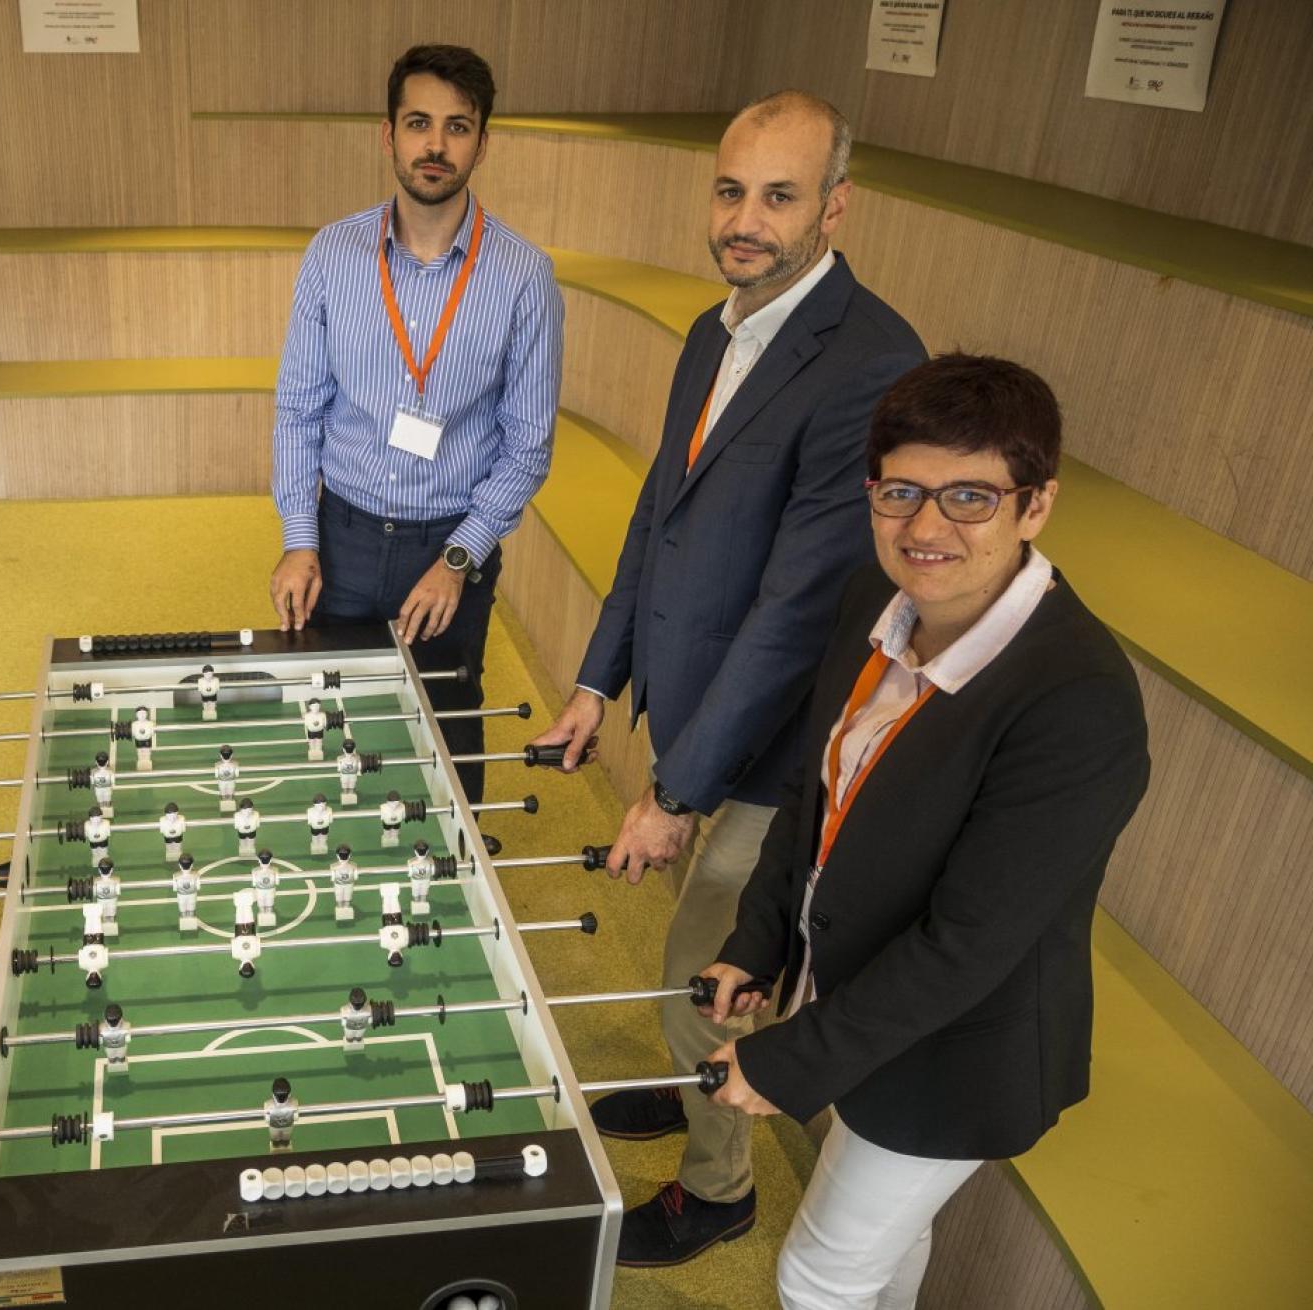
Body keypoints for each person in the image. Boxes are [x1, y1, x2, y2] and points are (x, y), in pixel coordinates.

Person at [526, 90, 926, 1265]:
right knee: (688, 979)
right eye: (731, 189)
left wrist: (673, 792)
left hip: (776, 742)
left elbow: (798, 605)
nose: (745, 219)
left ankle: (719, 1185)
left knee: (706, 973)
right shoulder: (718, 324)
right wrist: (598, 683)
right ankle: (690, 1089)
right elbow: (663, 511)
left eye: (781, 195)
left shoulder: (869, 360)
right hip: (697, 705)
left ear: (837, 205)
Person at [695, 353, 1151, 1307]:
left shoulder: (1078, 700)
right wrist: (758, 939)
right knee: (881, 1256)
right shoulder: (876, 601)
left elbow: (967, 945)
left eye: (971, 497)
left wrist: (793, 1059)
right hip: (861, 1004)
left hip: (958, 1052)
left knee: (819, 1275)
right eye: (900, 491)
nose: (926, 527)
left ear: (1036, 505)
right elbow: (815, 798)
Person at [269, 43, 563, 803]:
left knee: (446, 729)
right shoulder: (332, 254)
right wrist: (300, 540)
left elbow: (527, 448)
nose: (436, 145)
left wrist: (459, 560)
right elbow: (299, 410)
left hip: (450, 543)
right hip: (343, 534)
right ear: (388, 134)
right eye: (419, 123)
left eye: (457, 127)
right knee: (327, 722)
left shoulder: (524, 276)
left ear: (483, 143)